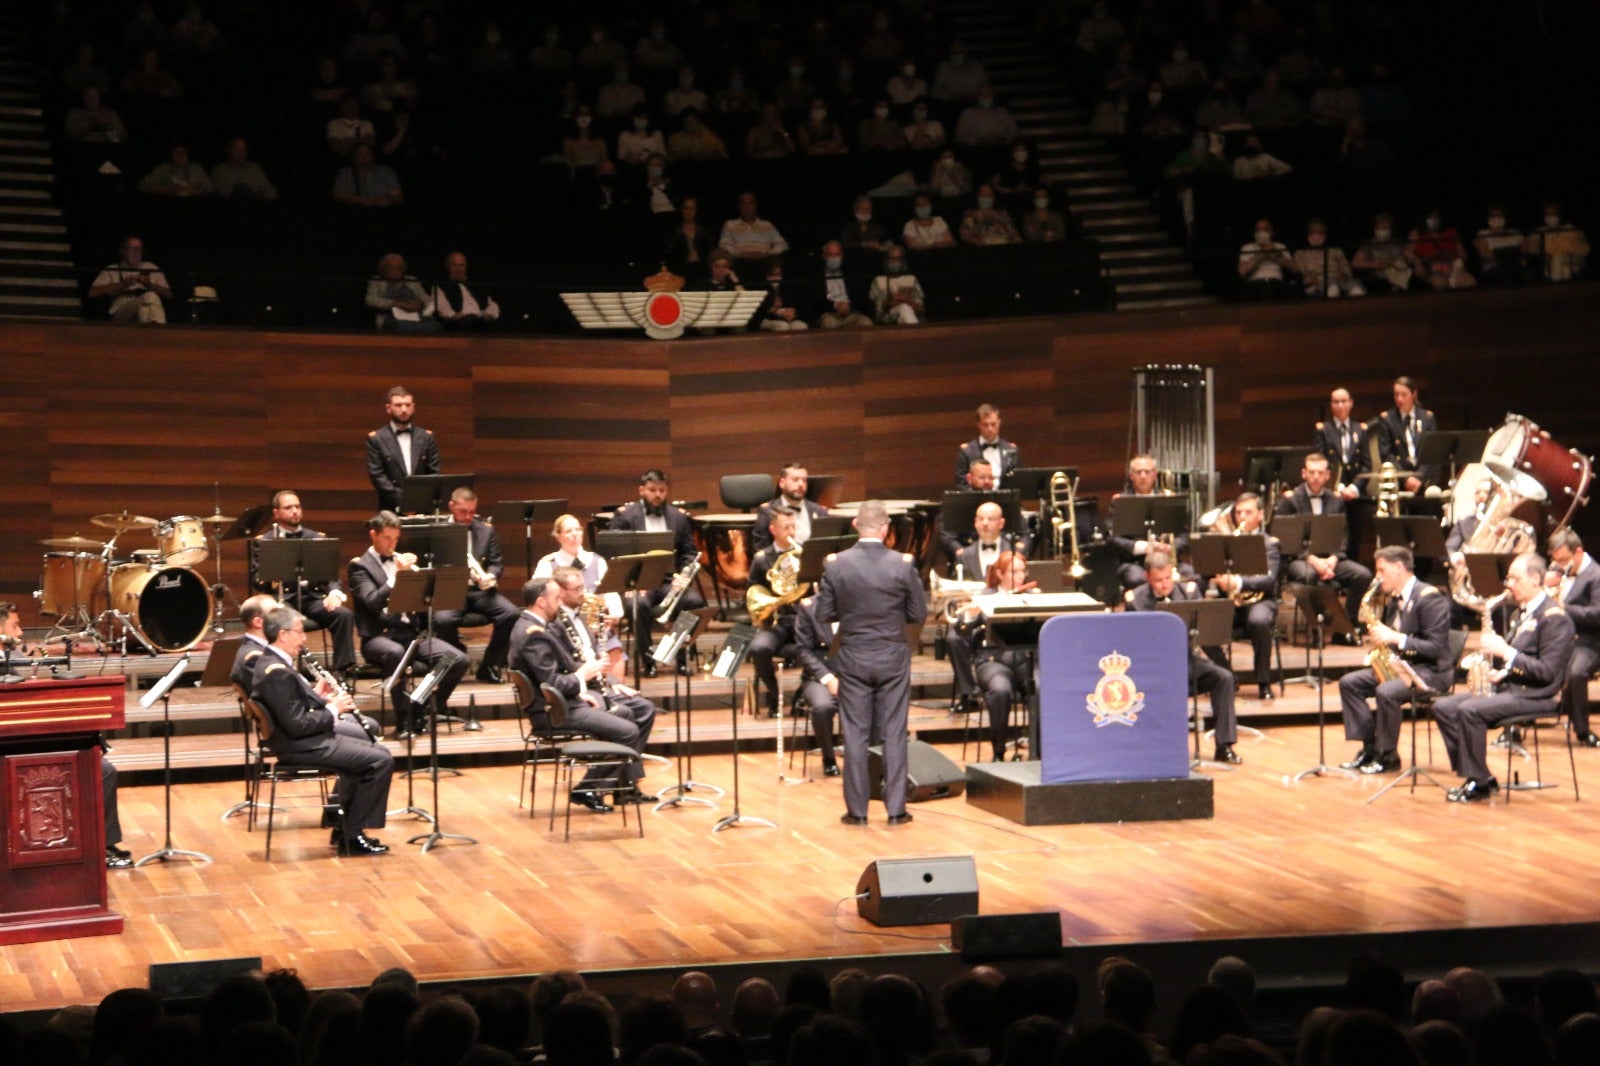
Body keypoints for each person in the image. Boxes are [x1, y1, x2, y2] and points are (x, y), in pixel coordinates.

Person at [815, 501, 926, 825]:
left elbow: (823, 614)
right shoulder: (902, 564)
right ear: (886, 528)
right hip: (893, 656)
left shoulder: (836, 564)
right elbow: (918, 613)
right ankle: (896, 810)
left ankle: (857, 812)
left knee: (855, 733)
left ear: (855, 524)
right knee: (894, 732)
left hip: (853, 657)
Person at [251, 606, 395, 855]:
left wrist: (317, 697)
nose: (304, 638)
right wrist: (333, 709)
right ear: (283, 635)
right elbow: (297, 724)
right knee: (380, 760)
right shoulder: (276, 672)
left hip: (302, 740)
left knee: (375, 752)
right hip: (301, 745)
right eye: (299, 632)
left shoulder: (272, 662)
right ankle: (352, 836)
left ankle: (344, 828)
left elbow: (290, 706)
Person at [1434, 553, 1576, 801]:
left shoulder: (1554, 618)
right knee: (1444, 707)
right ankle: (1479, 774)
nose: (1509, 584)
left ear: (1535, 579)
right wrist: (1501, 672)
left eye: (1515, 579)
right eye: (1508, 578)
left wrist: (1506, 652)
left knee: (1470, 710)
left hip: (1539, 694)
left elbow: (1547, 672)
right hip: (1512, 687)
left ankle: (1478, 782)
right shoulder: (1520, 613)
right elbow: (1522, 660)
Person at [511, 575, 658, 810]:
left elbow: (554, 675)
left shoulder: (532, 627)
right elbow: (552, 681)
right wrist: (581, 677)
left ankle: (616, 787)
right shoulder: (533, 634)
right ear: (541, 601)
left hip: (562, 702)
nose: (560, 602)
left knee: (627, 713)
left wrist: (580, 689)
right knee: (627, 730)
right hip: (554, 711)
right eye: (556, 598)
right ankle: (587, 789)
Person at [346, 512, 469, 738]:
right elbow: (372, 603)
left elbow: (421, 602)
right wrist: (397, 577)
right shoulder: (359, 567)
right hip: (378, 637)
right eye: (387, 538)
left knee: (457, 660)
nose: (392, 544)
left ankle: (421, 705)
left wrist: (425, 585)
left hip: (410, 634)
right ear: (373, 535)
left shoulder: (401, 561)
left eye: (396, 538)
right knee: (396, 653)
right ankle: (403, 721)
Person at [1336, 546, 1454, 774]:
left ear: (1399, 567)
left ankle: (1388, 755)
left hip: (1431, 671)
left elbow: (1436, 648)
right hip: (1402, 666)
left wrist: (1396, 638)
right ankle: (1370, 748)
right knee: (1349, 683)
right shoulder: (1392, 599)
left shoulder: (1429, 598)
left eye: (1382, 570)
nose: (1377, 576)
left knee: (1386, 692)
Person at [1126, 550, 1241, 764]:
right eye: (1158, 580)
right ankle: (1161, 750)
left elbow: (1205, 634)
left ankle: (1224, 746)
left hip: (1186, 663)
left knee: (1223, 678)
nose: (1164, 584)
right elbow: (1132, 644)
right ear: (1147, 577)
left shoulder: (1189, 592)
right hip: (1154, 669)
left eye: (1167, 578)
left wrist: (1225, 664)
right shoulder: (1136, 600)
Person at [607, 470, 705, 676]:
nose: (657, 495)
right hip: (637, 583)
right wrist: (629, 583)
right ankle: (648, 661)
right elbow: (613, 553)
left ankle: (681, 658)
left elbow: (689, 552)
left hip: (669, 581)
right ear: (641, 490)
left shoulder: (678, 517)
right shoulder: (625, 516)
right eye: (652, 490)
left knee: (694, 601)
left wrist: (684, 575)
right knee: (637, 605)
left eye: (662, 490)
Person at [250, 491, 357, 676]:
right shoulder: (265, 541)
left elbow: (332, 576)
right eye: (288, 507)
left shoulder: (317, 538)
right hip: (282, 600)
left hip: (312, 598)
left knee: (343, 615)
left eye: (297, 507)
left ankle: (341, 672)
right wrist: (272, 570)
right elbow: (256, 581)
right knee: (285, 620)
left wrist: (334, 594)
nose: (294, 511)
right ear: (276, 513)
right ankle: (285, 672)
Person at [946, 552, 1037, 761]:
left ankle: (1039, 752)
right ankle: (998, 752)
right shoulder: (985, 596)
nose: (1021, 576)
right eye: (1014, 572)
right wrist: (970, 616)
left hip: (1026, 659)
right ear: (1000, 573)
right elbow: (960, 634)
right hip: (992, 660)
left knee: (1041, 688)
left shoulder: (1032, 595)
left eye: (1023, 571)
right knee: (1000, 690)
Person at [431, 487, 521, 685]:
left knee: (511, 613)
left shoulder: (486, 530)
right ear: (451, 506)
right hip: (452, 591)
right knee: (442, 620)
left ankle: (489, 665)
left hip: (480, 591)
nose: (468, 517)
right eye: (463, 511)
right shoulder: (438, 531)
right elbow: (431, 565)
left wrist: (490, 575)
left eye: (472, 512)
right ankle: (457, 656)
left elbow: (496, 563)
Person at [1274, 454, 1373, 631]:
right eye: (1312, 472)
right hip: (1300, 560)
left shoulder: (1336, 500)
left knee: (1362, 575)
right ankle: (1317, 627)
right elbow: (1287, 541)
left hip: (1330, 560)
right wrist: (1313, 560)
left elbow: (1343, 536)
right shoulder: (1290, 500)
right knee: (1309, 575)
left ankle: (1346, 624)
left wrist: (1333, 559)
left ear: (1328, 475)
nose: (1316, 476)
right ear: (1304, 473)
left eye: (1320, 473)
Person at [1204, 493, 1280, 701]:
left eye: (1248, 512)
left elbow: (1269, 580)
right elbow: (1207, 571)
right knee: (1202, 624)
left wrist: (1237, 582)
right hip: (1231, 603)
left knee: (1259, 621)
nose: (1242, 517)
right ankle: (1227, 676)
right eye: (1238, 513)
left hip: (1261, 601)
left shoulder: (1269, 544)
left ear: (1260, 515)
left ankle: (1263, 682)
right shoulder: (1226, 543)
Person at [748, 507, 803, 717]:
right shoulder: (762, 559)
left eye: (793, 527)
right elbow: (753, 593)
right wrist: (771, 605)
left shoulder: (805, 555)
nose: (791, 532)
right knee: (759, 648)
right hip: (776, 621)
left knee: (823, 645)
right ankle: (773, 693)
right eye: (785, 527)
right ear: (773, 530)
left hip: (801, 619)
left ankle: (801, 696)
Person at [1547, 529, 1600, 747]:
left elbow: (1597, 614)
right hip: (1563, 639)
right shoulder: (1560, 572)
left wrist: (1564, 608)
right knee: (1522, 658)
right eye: (1556, 561)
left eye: (1563, 560)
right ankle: (1516, 725)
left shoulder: (1596, 575)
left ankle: (1582, 730)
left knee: (1576, 672)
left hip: (1590, 642)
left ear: (1578, 551)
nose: (1560, 565)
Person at [1109, 454, 1187, 589]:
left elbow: (1184, 534)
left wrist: (1171, 548)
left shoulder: (1168, 499)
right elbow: (1112, 538)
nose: (1143, 476)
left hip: (1167, 561)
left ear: (1155, 474)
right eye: (1138, 472)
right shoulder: (1120, 502)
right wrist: (1145, 547)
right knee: (1136, 578)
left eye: (1147, 471)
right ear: (1131, 476)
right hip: (1135, 563)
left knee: (1191, 575)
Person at [365, 386, 440, 512]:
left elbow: (434, 472)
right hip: (391, 508)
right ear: (389, 408)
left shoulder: (426, 437)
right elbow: (377, 475)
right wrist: (405, 499)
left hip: (422, 507)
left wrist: (419, 499)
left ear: (413, 407)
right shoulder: (377, 439)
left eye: (408, 405)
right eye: (398, 405)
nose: (404, 409)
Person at [792, 595, 843, 776]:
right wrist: (828, 679)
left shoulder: (858, 601)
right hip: (818, 677)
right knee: (822, 707)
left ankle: (867, 758)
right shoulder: (810, 607)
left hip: (853, 675)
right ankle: (828, 757)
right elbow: (803, 651)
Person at [1373, 375, 1439, 492]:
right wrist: (1406, 478)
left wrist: (1419, 478)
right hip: (1399, 482)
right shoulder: (1387, 420)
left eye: (1404, 394)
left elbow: (1431, 451)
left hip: (1424, 481)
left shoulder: (1427, 418)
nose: (1399, 399)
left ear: (1414, 394)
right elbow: (1386, 455)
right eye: (1396, 395)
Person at [88, 237, 170, 324]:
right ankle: (159, 329)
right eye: (132, 248)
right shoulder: (112, 269)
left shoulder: (151, 267)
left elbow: (168, 294)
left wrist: (150, 284)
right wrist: (122, 284)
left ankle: (150, 329)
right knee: (151, 296)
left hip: (145, 306)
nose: (136, 252)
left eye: (139, 249)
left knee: (144, 310)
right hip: (121, 310)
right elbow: (92, 292)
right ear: (122, 251)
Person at [752, 462, 829, 552]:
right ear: (782, 483)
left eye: (804, 480)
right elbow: (761, 548)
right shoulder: (767, 511)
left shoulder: (819, 511)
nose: (801, 484)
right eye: (795, 480)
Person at [1313, 387, 1368, 494]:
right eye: (1336, 402)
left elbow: (1367, 465)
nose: (1340, 405)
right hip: (1332, 490)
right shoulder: (1323, 430)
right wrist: (1338, 486)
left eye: (1343, 401)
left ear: (1351, 403)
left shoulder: (1360, 430)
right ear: (1331, 405)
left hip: (1357, 492)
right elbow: (1320, 463)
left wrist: (1354, 488)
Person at [365, 253, 438, 333]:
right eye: (391, 267)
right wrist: (395, 303)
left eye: (399, 267)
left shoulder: (411, 280)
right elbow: (370, 300)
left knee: (434, 326)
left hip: (414, 316)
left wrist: (421, 303)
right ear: (383, 269)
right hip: (390, 317)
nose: (396, 270)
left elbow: (426, 299)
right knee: (403, 326)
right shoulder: (377, 281)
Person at [955, 403, 1020, 487]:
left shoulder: (1011, 449)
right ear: (978, 425)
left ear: (999, 423)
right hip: (977, 495)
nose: (990, 428)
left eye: (993, 424)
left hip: (1006, 495)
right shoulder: (967, 452)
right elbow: (962, 484)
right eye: (985, 425)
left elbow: (1018, 481)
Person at [811, 240, 873, 328]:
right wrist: (835, 306)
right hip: (830, 313)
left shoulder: (851, 273)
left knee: (866, 322)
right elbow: (816, 300)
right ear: (824, 256)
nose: (834, 258)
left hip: (851, 312)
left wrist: (849, 306)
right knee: (829, 323)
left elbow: (860, 295)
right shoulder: (817, 276)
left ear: (842, 255)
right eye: (830, 255)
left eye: (837, 254)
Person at [1293, 219, 1361, 298]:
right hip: (1316, 284)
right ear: (1308, 235)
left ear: (1325, 235)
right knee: (1333, 289)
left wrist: (1343, 276)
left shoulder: (1335, 250)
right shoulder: (1300, 253)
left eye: (1320, 233)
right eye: (1313, 233)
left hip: (1339, 281)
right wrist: (1309, 280)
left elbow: (1346, 270)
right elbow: (1299, 274)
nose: (1316, 236)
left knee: (1357, 290)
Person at [431, 252, 499, 330]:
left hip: (480, 319)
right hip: (461, 320)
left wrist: (489, 314)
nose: (458, 269)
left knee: (495, 325)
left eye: (462, 265)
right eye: (455, 265)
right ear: (448, 267)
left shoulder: (476, 284)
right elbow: (441, 304)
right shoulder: (441, 285)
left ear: (466, 267)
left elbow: (491, 303)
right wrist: (452, 315)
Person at [719, 192, 789, 262]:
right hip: (739, 261)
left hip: (765, 261)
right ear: (738, 206)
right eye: (743, 204)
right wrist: (740, 254)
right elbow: (723, 245)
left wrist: (768, 254)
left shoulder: (767, 225)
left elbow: (782, 244)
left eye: (751, 203)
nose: (747, 207)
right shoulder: (730, 225)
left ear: (756, 205)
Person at [1237, 218, 1294, 300]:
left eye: (1265, 230)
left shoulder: (1280, 246)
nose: (1261, 233)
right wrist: (1262, 254)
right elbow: (1242, 271)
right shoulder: (1247, 247)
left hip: (1276, 283)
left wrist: (1276, 252)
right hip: (1255, 284)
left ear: (1271, 232)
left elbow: (1293, 268)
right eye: (1258, 230)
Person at [869, 245, 926, 325]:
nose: (895, 261)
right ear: (886, 260)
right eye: (892, 258)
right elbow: (879, 309)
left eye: (898, 258)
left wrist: (907, 301)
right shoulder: (879, 281)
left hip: (909, 314)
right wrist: (896, 301)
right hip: (888, 318)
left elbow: (921, 309)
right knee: (904, 308)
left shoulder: (911, 279)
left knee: (905, 312)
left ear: (903, 261)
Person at [332, 144, 403, 208]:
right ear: (353, 158)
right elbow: (337, 195)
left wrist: (382, 202)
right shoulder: (344, 173)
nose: (365, 158)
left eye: (368, 154)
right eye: (360, 155)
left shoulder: (386, 172)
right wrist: (361, 200)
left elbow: (397, 196)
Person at [211, 137, 278, 200]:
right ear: (228, 150)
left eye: (244, 149)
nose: (241, 153)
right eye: (237, 149)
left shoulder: (254, 169)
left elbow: (271, 191)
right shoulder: (220, 170)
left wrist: (259, 196)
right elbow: (223, 193)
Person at [138, 143, 214, 197]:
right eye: (177, 152)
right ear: (171, 155)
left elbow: (211, 188)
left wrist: (194, 190)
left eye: (184, 152)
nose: (181, 155)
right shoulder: (162, 169)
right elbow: (142, 186)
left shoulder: (197, 169)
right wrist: (168, 189)